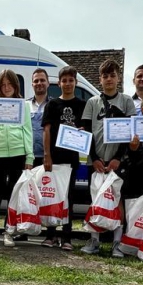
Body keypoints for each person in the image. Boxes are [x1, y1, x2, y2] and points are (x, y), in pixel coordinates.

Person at [80, 59, 137, 257]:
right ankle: (94, 240)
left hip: (117, 161)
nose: (109, 79)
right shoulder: (92, 102)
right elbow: (87, 131)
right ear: (100, 79)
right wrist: (94, 158)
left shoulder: (126, 101)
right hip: (96, 161)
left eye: (113, 75)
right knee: (96, 198)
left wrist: (118, 158)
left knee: (117, 199)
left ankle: (117, 242)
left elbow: (129, 132)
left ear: (118, 78)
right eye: (105, 76)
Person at [0, 69, 33, 248]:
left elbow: (28, 131)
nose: (6, 88)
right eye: (3, 85)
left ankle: (9, 231)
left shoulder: (24, 105)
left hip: (18, 153)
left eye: (9, 84)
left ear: (16, 85)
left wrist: (30, 157)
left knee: (14, 195)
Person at [41, 65, 86, 251]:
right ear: (58, 83)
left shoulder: (82, 105)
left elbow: (86, 129)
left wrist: (82, 132)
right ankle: (50, 235)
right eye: (64, 80)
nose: (67, 84)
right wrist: (47, 155)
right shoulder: (52, 105)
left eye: (71, 80)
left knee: (69, 197)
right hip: (54, 158)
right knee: (52, 196)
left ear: (76, 82)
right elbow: (47, 130)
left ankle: (67, 237)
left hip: (72, 158)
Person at [28, 68, 51, 168]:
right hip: (29, 158)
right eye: (36, 81)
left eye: (42, 80)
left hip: (49, 158)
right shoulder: (25, 105)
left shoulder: (54, 105)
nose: (39, 83)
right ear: (32, 84)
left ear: (48, 83)